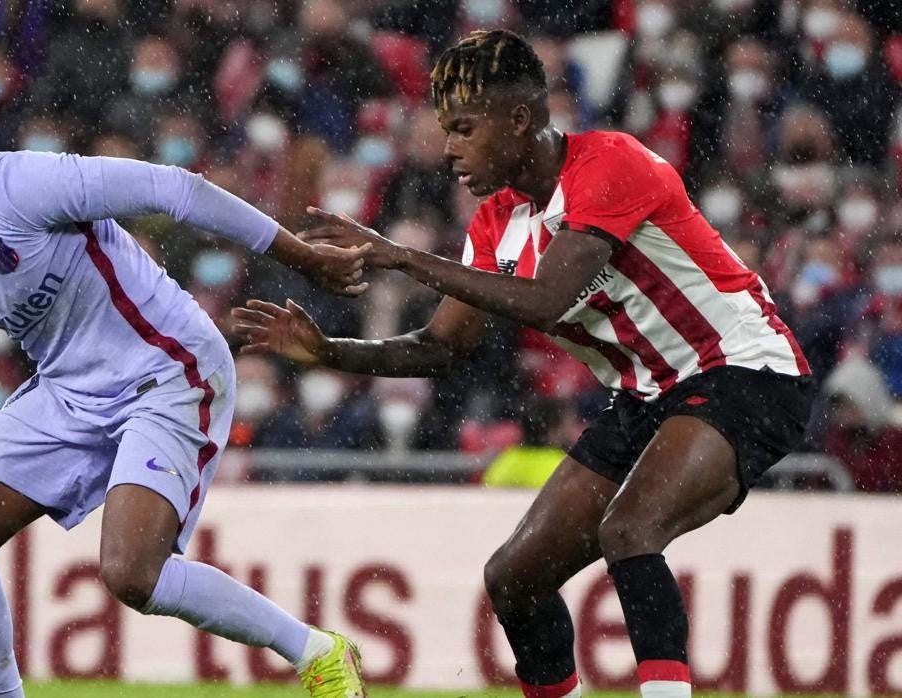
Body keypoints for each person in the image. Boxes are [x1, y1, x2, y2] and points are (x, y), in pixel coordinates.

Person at [233, 30, 814, 698]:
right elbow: (442, 346)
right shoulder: (496, 222)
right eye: (444, 130)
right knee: (514, 578)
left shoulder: (611, 164)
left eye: (463, 128)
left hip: (746, 372)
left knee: (630, 529)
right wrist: (329, 352)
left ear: (519, 120)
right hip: (651, 395)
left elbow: (547, 300)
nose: (450, 148)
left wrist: (400, 255)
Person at [0, 78, 367, 698]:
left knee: (132, 575)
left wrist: (300, 255)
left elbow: (174, 188)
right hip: (67, 388)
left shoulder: (19, 186)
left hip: (165, 369)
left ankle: (317, 652)